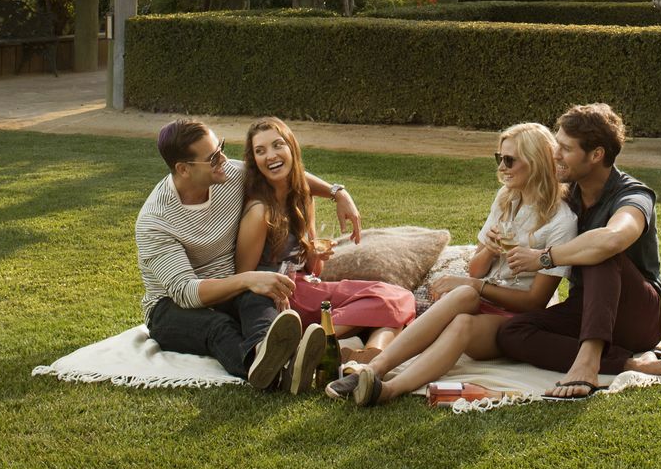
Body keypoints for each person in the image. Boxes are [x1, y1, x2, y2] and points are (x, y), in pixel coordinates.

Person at [327, 121, 577, 406]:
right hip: (484, 300)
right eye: (499, 158)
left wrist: (476, 286)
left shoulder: (561, 221)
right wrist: (489, 252)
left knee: (464, 314)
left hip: (517, 322)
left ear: (536, 162)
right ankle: (373, 370)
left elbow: (535, 303)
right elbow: (476, 269)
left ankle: (388, 390)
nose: (502, 167)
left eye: (510, 160)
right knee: (466, 293)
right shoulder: (507, 199)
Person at [135, 118, 362, 392]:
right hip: (171, 308)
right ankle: (267, 368)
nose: (223, 159)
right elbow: (185, 292)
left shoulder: (227, 175)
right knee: (218, 326)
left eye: (220, 147)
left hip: (227, 291)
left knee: (260, 292)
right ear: (183, 169)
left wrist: (338, 192)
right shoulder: (155, 221)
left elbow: (284, 176)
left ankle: (271, 350)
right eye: (213, 157)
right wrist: (246, 280)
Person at [494, 103, 661, 398]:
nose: (555, 154)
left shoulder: (634, 195)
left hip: (639, 317)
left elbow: (612, 239)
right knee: (511, 333)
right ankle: (628, 363)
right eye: (556, 145)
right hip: (588, 308)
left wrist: (543, 258)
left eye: (565, 148)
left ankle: (588, 363)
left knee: (601, 252)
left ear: (596, 154)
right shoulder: (567, 194)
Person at [235, 116, 415, 385]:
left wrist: (314, 255)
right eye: (260, 151)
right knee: (396, 300)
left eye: (277, 145)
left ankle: (365, 358)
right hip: (281, 297)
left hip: (306, 290)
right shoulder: (260, 211)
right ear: (254, 161)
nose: (270, 155)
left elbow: (313, 270)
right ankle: (314, 340)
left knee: (397, 309)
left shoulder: (303, 198)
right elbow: (244, 278)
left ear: (292, 148)